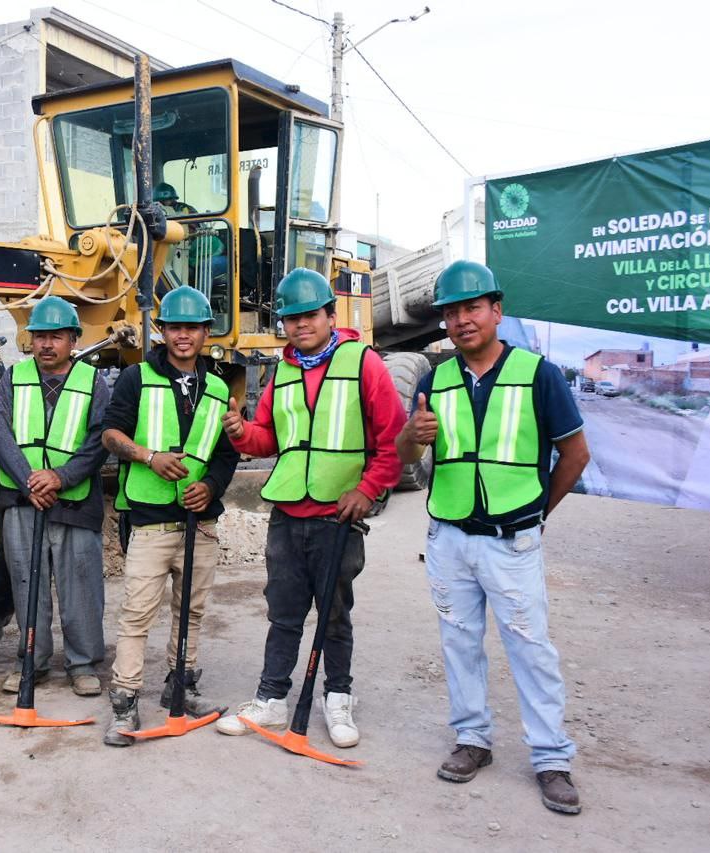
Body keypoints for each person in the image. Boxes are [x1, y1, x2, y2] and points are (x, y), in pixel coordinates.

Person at [396, 260, 591, 815]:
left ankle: (551, 758)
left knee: (530, 648)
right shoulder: (435, 380)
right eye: (452, 312)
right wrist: (412, 436)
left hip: (512, 541)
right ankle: (472, 740)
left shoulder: (538, 375)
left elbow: (575, 454)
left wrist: (535, 512)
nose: (461, 320)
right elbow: (409, 456)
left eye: (472, 308)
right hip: (449, 539)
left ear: (496, 311)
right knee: (460, 645)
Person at [215, 268, 404, 747]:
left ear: (329, 315)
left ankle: (338, 696)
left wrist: (368, 491)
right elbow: (269, 439)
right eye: (291, 318)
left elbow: (393, 443)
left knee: (335, 612)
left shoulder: (363, 363)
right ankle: (271, 699)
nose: (300, 326)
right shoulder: (282, 372)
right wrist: (241, 434)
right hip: (287, 515)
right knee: (283, 611)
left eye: (309, 316)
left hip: (338, 518)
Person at [100, 285, 240, 746]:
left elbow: (224, 454)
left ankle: (182, 687)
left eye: (192, 328)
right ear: (161, 332)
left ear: (205, 332)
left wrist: (211, 487)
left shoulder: (218, 387)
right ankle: (124, 703)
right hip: (149, 520)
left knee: (191, 611)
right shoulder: (136, 378)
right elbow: (110, 435)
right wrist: (149, 456)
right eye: (174, 327)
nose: (183, 336)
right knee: (136, 614)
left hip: (199, 523)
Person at [0, 296, 110, 697]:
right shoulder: (13, 378)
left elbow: (99, 442)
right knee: (27, 585)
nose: (45, 345)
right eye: (39, 336)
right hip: (23, 502)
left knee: (82, 587)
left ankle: (84, 664)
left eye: (55, 337)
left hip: (73, 501)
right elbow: (1, 434)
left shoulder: (93, 382)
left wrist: (59, 478)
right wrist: (29, 482)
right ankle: (32, 662)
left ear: (73, 339)